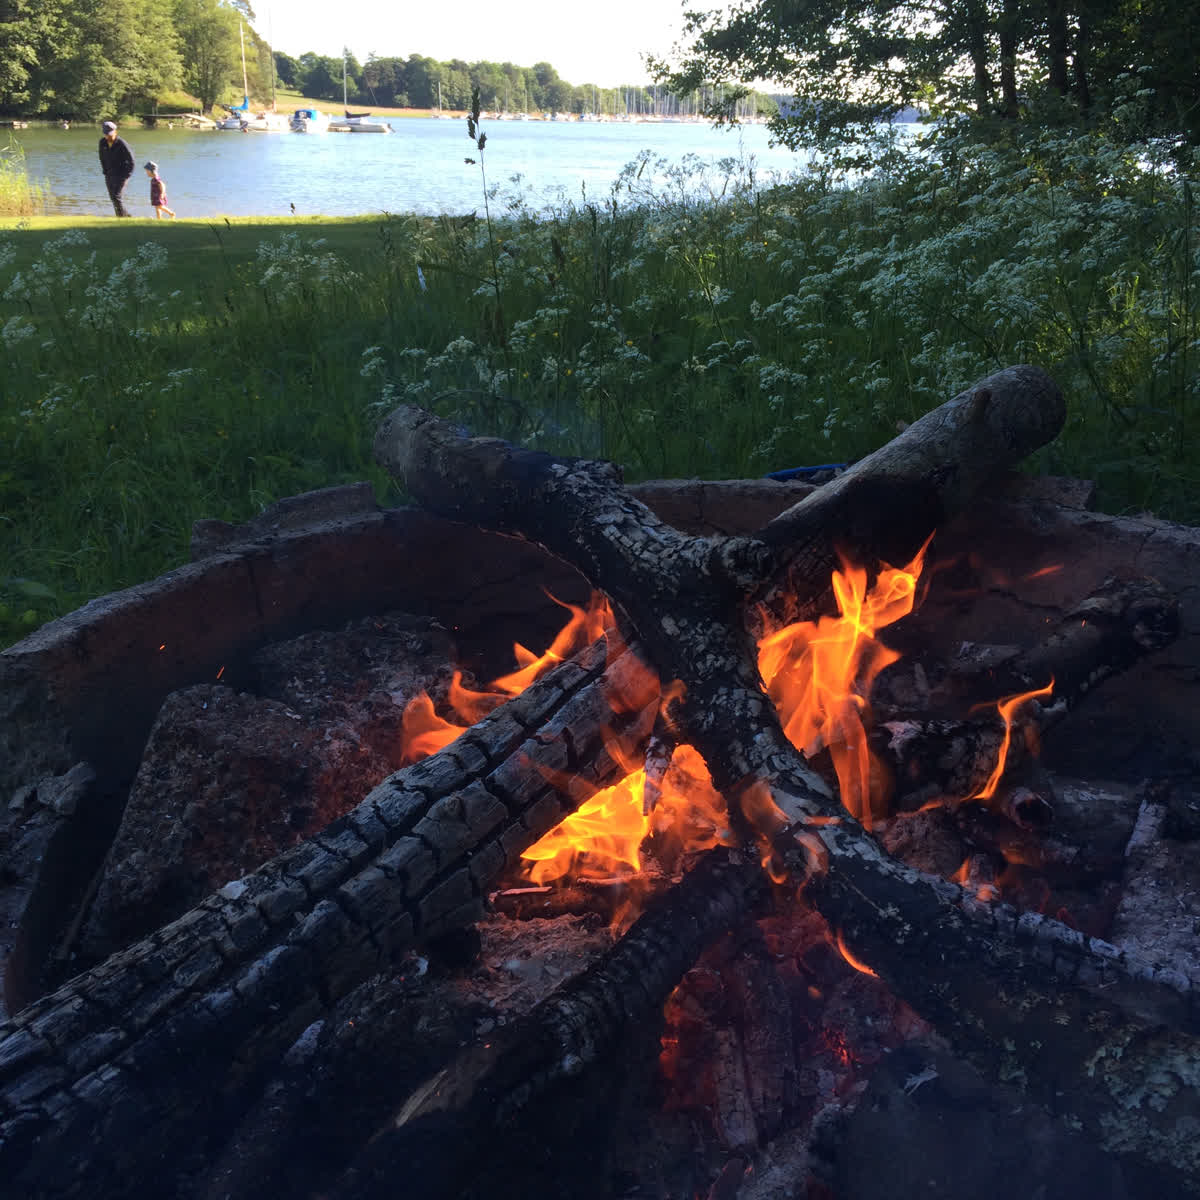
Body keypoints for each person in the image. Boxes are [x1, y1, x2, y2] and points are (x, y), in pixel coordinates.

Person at [98, 121, 134, 217]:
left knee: (116, 196)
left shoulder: (122, 144)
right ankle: (126, 216)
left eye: (110, 134)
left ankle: (120, 217)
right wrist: (105, 170)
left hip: (122, 174)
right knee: (112, 197)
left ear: (115, 132)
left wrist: (127, 175)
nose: (108, 136)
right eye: (106, 134)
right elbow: (101, 157)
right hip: (109, 173)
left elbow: (131, 160)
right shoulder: (102, 143)